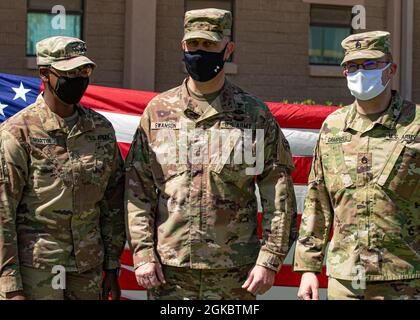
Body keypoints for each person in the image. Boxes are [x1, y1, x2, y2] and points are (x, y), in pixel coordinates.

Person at [125, 8, 297, 300]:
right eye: (193, 45)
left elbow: (277, 193)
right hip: (170, 271)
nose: (199, 52)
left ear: (227, 49)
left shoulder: (252, 114)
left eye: (209, 45)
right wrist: (142, 253)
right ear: (183, 46)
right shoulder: (158, 111)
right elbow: (137, 189)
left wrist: (269, 258)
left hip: (234, 272)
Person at [294, 31, 420, 300]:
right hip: (345, 278)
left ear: (391, 69)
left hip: (405, 277)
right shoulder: (334, 127)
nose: (360, 72)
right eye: (353, 66)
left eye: (370, 64)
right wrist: (308, 269)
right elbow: (318, 200)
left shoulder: (416, 123)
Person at [0, 36, 126, 300]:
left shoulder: (100, 129)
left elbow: (112, 201)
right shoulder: (18, 132)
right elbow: (3, 212)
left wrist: (112, 267)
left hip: (87, 270)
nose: (79, 78)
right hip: (38, 272)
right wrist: (10, 286)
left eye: (84, 71)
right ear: (45, 73)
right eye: (70, 72)